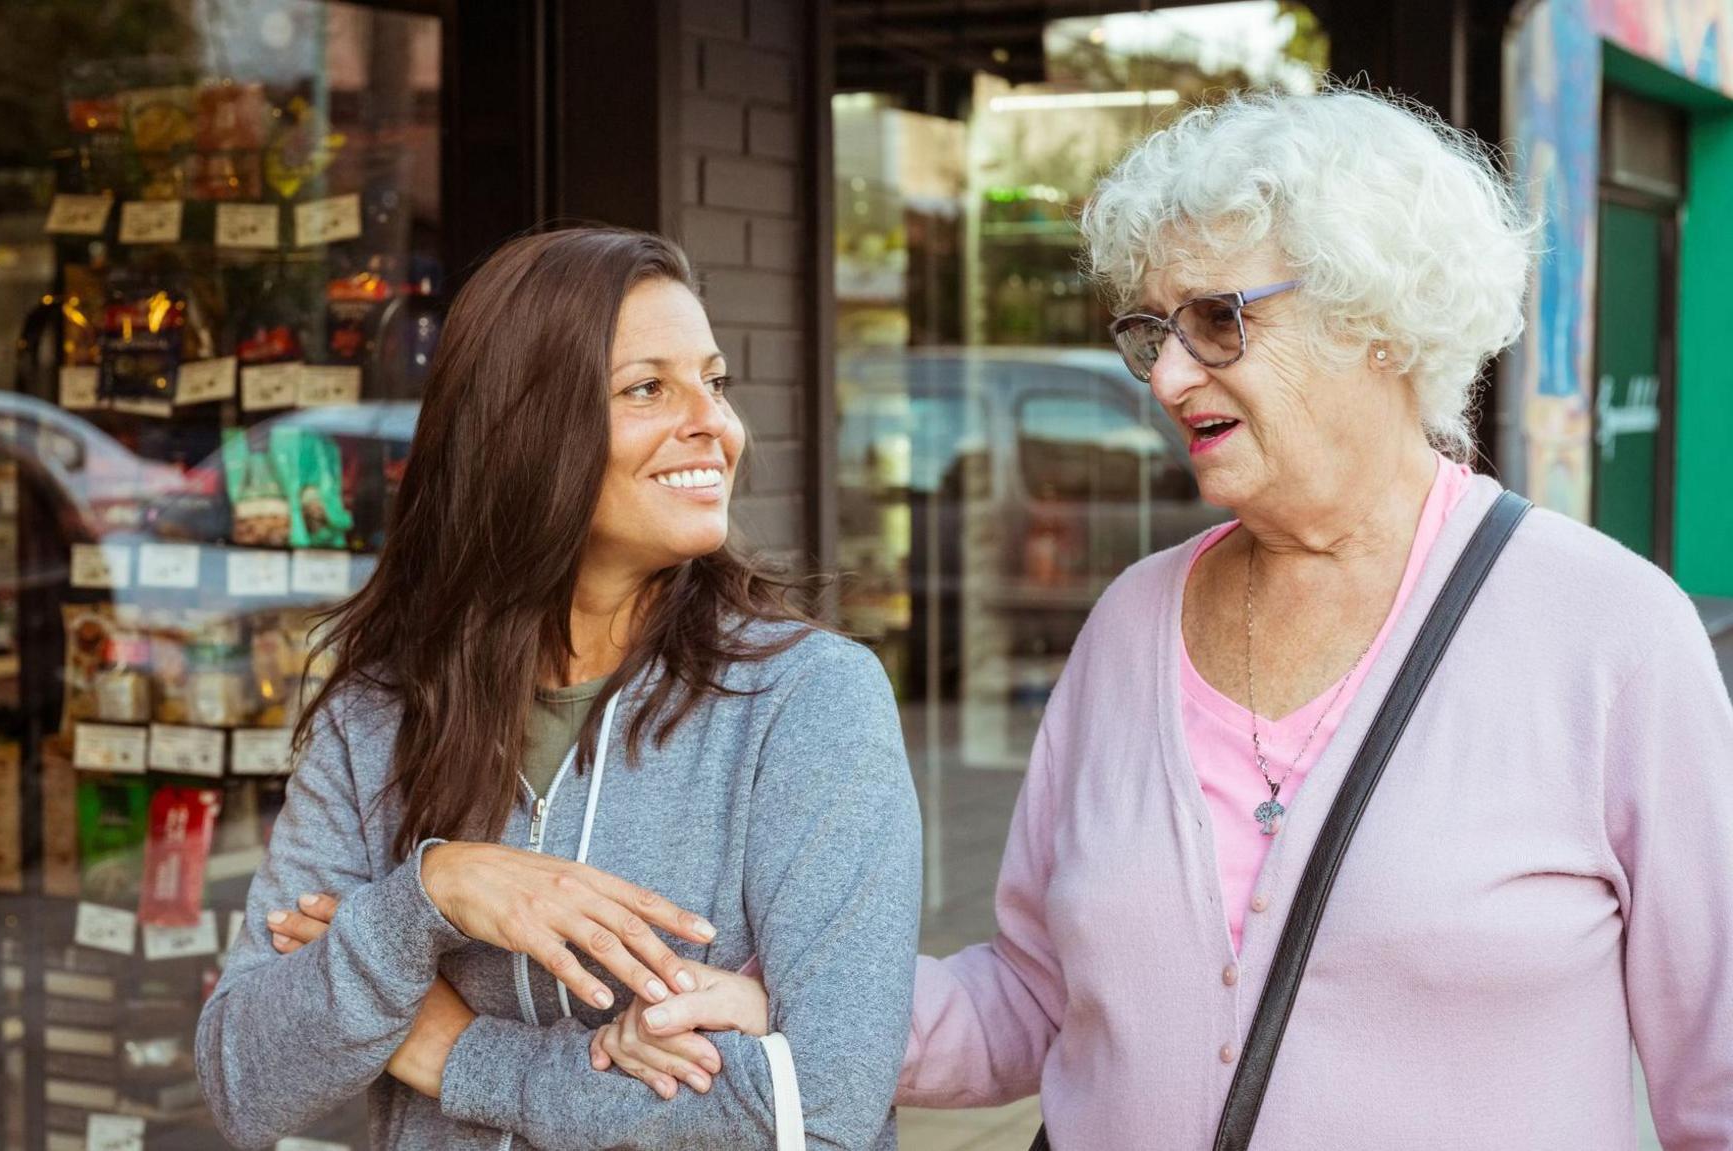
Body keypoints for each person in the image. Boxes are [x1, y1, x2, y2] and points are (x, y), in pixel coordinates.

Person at [520, 86, 1733, 1146]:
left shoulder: (1608, 634)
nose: (1161, 376)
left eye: (1217, 320)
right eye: (1150, 331)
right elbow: (1033, 1003)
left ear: (1377, 322)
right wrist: (790, 1004)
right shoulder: (1131, 624)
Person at [194, 226, 921, 1151]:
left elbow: (822, 1115)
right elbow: (242, 1079)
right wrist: (429, 895)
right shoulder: (379, 712)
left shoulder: (808, 703)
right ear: (522, 429)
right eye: (648, 387)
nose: (715, 423)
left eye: (716, 380)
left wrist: (456, 1052)